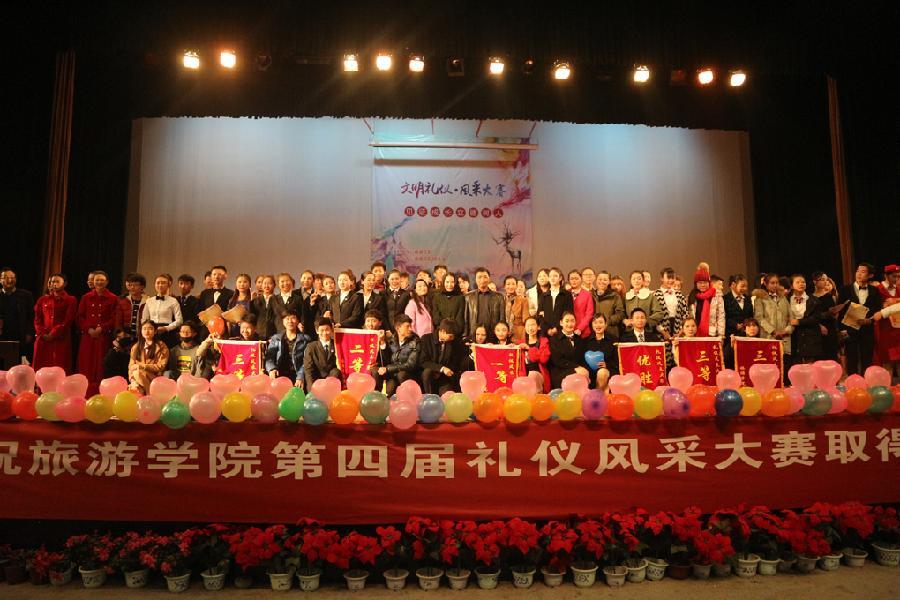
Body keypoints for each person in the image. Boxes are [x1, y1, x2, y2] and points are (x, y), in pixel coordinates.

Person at [77, 271, 120, 395]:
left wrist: (102, 328)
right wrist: (89, 329)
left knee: (101, 364)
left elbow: (114, 317)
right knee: (86, 363)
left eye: (102, 280)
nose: (99, 282)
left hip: (104, 336)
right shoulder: (86, 297)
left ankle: (101, 393)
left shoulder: (113, 298)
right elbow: (80, 317)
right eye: (97, 280)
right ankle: (84, 392)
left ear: (107, 282)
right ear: (93, 282)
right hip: (88, 336)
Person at [837, 262, 883, 375]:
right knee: (852, 358)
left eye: (863, 272)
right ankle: (852, 382)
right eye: (857, 271)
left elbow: (878, 310)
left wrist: (870, 320)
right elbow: (840, 311)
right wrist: (842, 330)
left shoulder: (875, 291)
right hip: (849, 329)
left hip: (867, 330)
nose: (859, 274)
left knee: (867, 358)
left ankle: (866, 381)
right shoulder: (845, 289)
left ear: (870, 275)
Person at [32, 273, 77, 372]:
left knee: (59, 364)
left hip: (61, 337)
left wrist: (53, 333)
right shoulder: (42, 299)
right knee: (41, 365)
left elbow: (68, 320)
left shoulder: (71, 300)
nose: (54, 284)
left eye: (57, 281)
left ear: (64, 284)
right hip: (43, 337)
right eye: (52, 282)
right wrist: (42, 333)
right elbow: (37, 319)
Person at [753, 273, 794, 364]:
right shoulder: (760, 299)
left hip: (784, 338)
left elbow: (791, 318)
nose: (775, 285)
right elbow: (759, 318)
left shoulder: (783, 298)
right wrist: (773, 331)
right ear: (766, 284)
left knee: (784, 366)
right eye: (772, 283)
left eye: (777, 283)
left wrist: (786, 331)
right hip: (768, 337)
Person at [419, 318, 465, 394]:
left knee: (448, 396)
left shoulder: (454, 342)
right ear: (442, 331)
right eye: (450, 336)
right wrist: (441, 368)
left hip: (444, 378)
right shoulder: (426, 339)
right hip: (429, 378)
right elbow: (423, 361)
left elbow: (455, 363)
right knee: (428, 372)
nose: (452, 338)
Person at [265, 311, 311, 388]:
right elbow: (269, 357)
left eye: (293, 318)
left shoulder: (305, 339)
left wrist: (300, 376)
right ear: (283, 322)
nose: (290, 321)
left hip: (297, 375)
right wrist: (272, 369)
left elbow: (307, 361)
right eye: (287, 318)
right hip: (279, 374)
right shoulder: (276, 338)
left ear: (298, 321)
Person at [377, 313, 419, 395]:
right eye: (407, 326)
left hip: (408, 374)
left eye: (410, 326)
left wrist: (388, 369)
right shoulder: (391, 340)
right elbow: (386, 360)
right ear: (398, 328)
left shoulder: (415, 341)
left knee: (401, 375)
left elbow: (411, 365)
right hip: (393, 374)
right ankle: (376, 396)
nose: (410, 329)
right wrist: (382, 342)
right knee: (376, 372)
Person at [788, 274, 826, 363]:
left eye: (803, 282)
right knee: (794, 364)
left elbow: (816, 318)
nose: (801, 284)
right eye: (797, 282)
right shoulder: (787, 299)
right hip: (793, 335)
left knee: (809, 364)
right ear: (791, 286)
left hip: (810, 335)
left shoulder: (814, 300)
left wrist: (799, 322)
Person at [0, 268, 35, 362]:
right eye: (6, 277)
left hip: (19, 334)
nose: (10, 280)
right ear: (0, 280)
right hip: (2, 333)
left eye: (12, 277)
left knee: (17, 361)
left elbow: (31, 316)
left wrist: (29, 333)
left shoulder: (26, 295)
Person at [548, 311, 588, 389]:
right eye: (567, 321)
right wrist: (576, 368)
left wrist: (583, 369)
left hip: (579, 370)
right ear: (561, 323)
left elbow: (583, 359)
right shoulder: (554, 339)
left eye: (572, 321)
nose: (570, 324)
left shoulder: (579, 339)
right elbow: (557, 361)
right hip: (560, 372)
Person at [142, 273, 183, 348]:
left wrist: (166, 328)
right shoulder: (149, 301)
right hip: (151, 331)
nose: (160, 285)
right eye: (158, 283)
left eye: (163, 283)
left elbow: (179, 320)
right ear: (155, 285)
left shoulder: (173, 301)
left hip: (167, 332)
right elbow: (144, 319)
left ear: (168, 285)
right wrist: (147, 330)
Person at [128, 321, 169, 394]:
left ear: (155, 331)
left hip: (155, 377)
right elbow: (131, 367)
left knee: (138, 373)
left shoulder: (162, 346)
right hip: (138, 378)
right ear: (141, 331)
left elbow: (161, 366)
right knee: (135, 387)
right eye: (144, 329)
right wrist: (133, 381)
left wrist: (143, 366)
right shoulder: (136, 347)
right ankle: (148, 393)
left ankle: (148, 393)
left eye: (150, 329)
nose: (147, 331)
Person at [464, 267, 504, 341]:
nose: (482, 280)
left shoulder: (499, 297)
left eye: (485, 277)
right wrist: (466, 335)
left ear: (489, 279)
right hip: (474, 336)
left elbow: (502, 319)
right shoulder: (468, 297)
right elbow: (466, 319)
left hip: (493, 336)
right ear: (475, 279)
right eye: (479, 277)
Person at [873, 264, 900, 375]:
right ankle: (887, 383)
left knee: (899, 359)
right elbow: (873, 309)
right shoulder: (877, 289)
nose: (897, 279)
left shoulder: (899, 289)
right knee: (886, 359)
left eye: (898, 276)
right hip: (884, 329)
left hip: (898, 329)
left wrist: (896, 300)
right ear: (886, 275)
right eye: (894, 276)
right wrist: (881, 307)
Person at [723, 274, 754, 367]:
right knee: (730, 360)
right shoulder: (725, 299)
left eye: (746, 286)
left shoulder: (747, 299)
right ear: (733, 285)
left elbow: (751, 316)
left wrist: (746, 325)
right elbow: (724, 317)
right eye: (742, 286)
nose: (745, 289)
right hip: (730, 335)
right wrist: (735, 325)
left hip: (745, 335)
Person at [302, 317, 342, 389]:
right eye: (322, 330)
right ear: (317, 331)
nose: (324, 333)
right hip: (316, 384)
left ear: (331, 329)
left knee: (336, 371)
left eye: (327, 330)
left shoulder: (337, 345)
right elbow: (308, 370)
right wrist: (311, 390)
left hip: (332, 385)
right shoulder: (311, 347)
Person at [688, 263, 725, 338]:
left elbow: (721, 316)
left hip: (712, 333)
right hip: (694, 333)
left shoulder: (716, 295)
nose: (703, 285)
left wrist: (721, 334)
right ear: (696, 284)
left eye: (705, 282)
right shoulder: (691, 296)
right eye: (700, 283)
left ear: (709, 283)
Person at [811, 271, 840, 362]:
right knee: (819, 358)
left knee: (831, 357)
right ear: (815, 281)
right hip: (816, 330)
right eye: (822, 279)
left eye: (826, 279)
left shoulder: (830, 296)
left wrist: (835, 313)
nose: (826, 282)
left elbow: (834, 314)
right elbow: (810, 315)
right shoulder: (810, 298)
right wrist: (819, 324)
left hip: (830, 329)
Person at [584, 313, 618, 390]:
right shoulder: (586, 341)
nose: (598, 325)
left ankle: (597, 393)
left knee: (602, 373)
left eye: (601, 322)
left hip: (608, 370)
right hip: (591, 372)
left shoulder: (613, 339)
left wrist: (607, 365)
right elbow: (583, 361)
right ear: (592, 325)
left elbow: (617, 360)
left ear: (605, 324)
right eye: (595, 322)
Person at [538, 267, 574, 337]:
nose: (552, 278)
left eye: (555, 276)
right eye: (550, 276)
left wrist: (557, 328)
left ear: (560, 278)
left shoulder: (566, 294)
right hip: (546, 333)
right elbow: (540, 315)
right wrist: (547, 329)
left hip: (562, 331)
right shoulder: (543, 296)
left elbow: (569, 313)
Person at [593, 270, 626, 339]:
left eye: (605, 280)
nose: (602, 281)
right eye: (600, 279)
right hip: (593, 333)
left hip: (611, 332)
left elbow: (620, 313)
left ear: (609, 282)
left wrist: (606, 322)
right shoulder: (591, 294)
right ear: (596, 280)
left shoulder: (615, 296)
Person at [432, 272, 466, 337]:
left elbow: (460, 318)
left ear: (455, 283)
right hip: (440, 332)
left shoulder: (460, 298)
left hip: (455, 333)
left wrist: (452, 331)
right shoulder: (437, 297)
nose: (449, 284)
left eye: (452, 282)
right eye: (447, 282)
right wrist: (444, 329)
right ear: (443, 282)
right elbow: (436, 318)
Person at [522, 316, 550, 392]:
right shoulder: (521, 343)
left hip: (539, 374)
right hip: (524, 375)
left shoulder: (544, 341)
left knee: (533, 374)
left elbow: (544, 359)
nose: (530, 328)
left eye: (533, 325)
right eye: (528, 325)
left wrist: (529, 348)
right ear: (525, 328)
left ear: (538, 327)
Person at [117, 272, 148, 337]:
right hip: (126, 336)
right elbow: (118, 320)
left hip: (143, 336)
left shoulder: (148, 301)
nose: (132, 287)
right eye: (130, 285)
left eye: (136, 285)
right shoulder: (123, 301)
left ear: (142, 286)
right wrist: (120, 332)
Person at [250, 274, 278, 340]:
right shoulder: (255, 300)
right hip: (258, 333)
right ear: (262, 285)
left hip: (275, 333)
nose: (266, 286)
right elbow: (252, 316)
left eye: (270, 283)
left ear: (274, 285)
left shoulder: (278, 299)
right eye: (264, 283)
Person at [569, 269, 594, 339]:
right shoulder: (566, 293)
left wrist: (580, 328)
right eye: (572, 279)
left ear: (581, 279)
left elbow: (589, 314)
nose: (574, 281)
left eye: (576, 278)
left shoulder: (587, 294)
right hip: (568, 329)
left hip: (583, 331)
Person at [503, 275, 529, 342]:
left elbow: (526, 320)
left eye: (513, 284)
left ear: (516, 286)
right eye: (508, 284)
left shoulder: (523, 300)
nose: (511, 286)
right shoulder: (501, 300)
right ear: (504, 286)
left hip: (518, 334)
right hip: (502, 334)